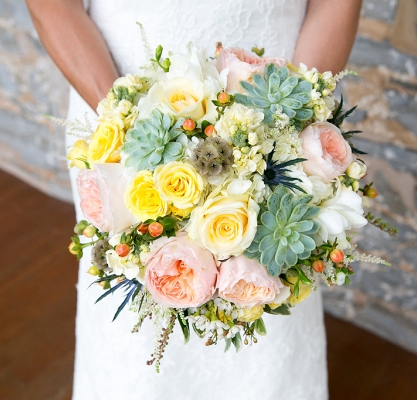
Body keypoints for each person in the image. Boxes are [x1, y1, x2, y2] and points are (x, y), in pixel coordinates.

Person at [26, 1, 362, 399]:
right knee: (138, 292)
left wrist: (294, 121)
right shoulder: (123, 117)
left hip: (277, 95)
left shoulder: (285, 124)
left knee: (275, 270)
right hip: (115, 90)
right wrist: (125, 121)